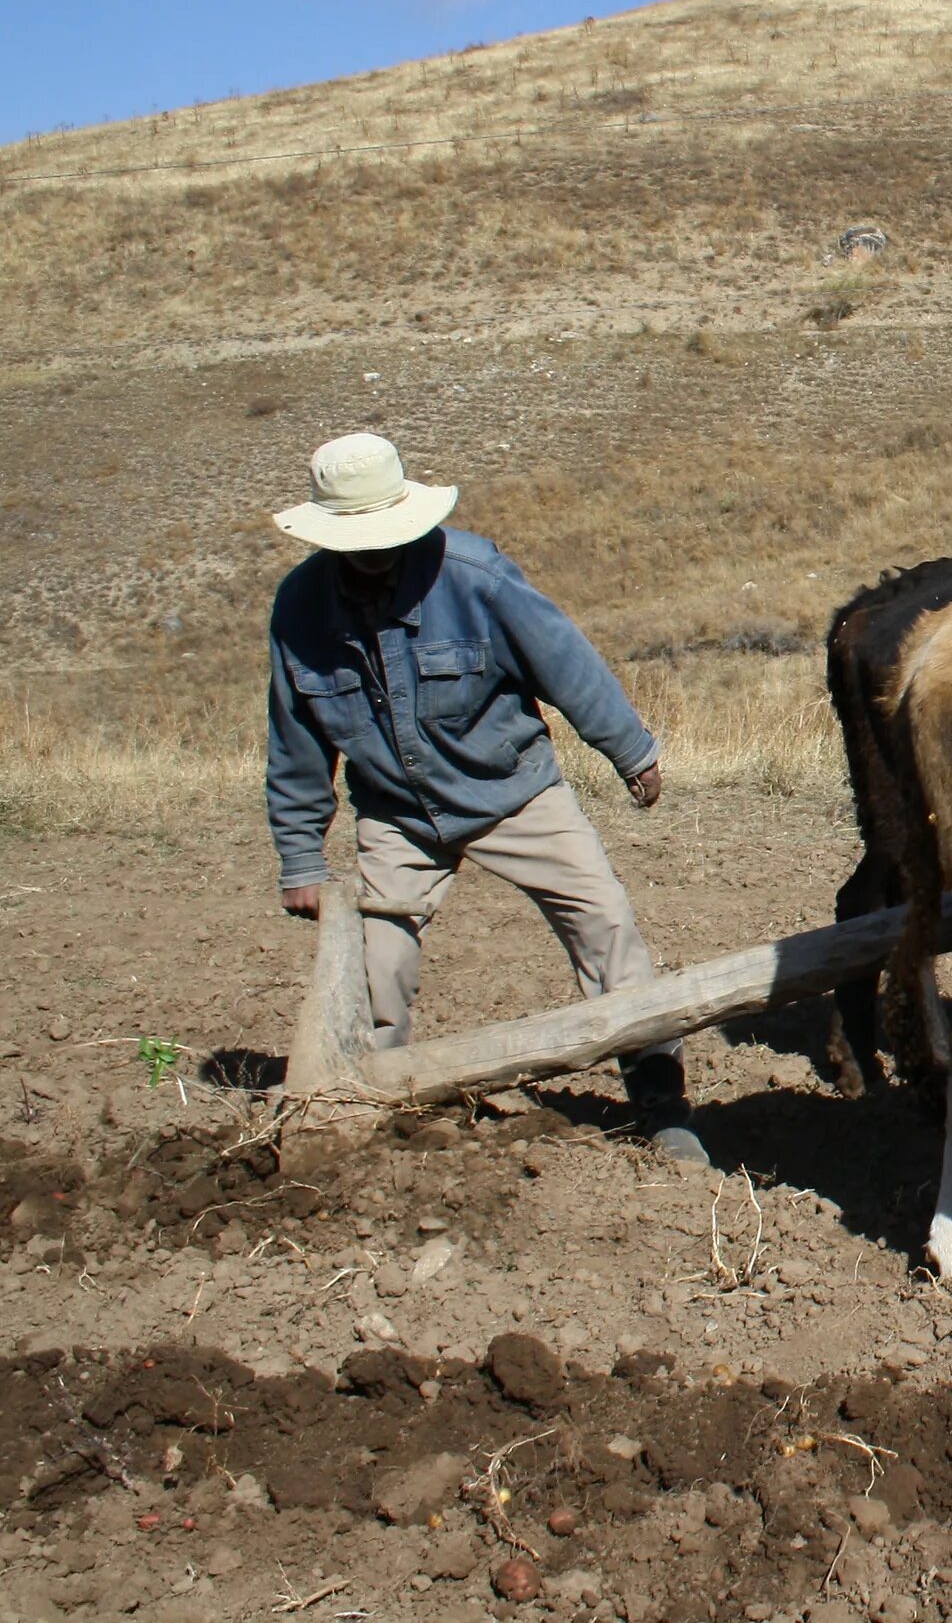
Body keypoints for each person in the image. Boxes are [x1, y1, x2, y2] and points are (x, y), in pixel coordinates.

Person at [265, 432, 706, 1164]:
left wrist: (629, 750)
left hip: (514, 792)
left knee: (605, 925)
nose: (374, 551)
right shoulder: (300, 610)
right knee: (379, 961)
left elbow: (565, 662)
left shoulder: (474, 575)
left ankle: (660, 1102)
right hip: (398, 815)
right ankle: (368, 1103)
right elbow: (296, 740)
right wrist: (299, 855)